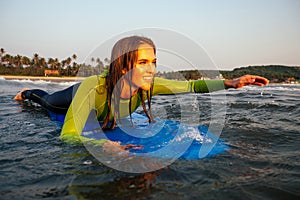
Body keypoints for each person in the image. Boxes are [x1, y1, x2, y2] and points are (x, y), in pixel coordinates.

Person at [14, 36, 269, 146]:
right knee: (45, 103)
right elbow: (68, 134)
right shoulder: (95, 86)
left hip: (101, 113)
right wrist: (104, 146)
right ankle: (26, 92)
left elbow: (191, 86)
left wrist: (231, 83)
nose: (152, 69)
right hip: (72, 98)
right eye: (143, 63)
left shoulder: (147, 88)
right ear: (124, 66)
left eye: (154, 62)